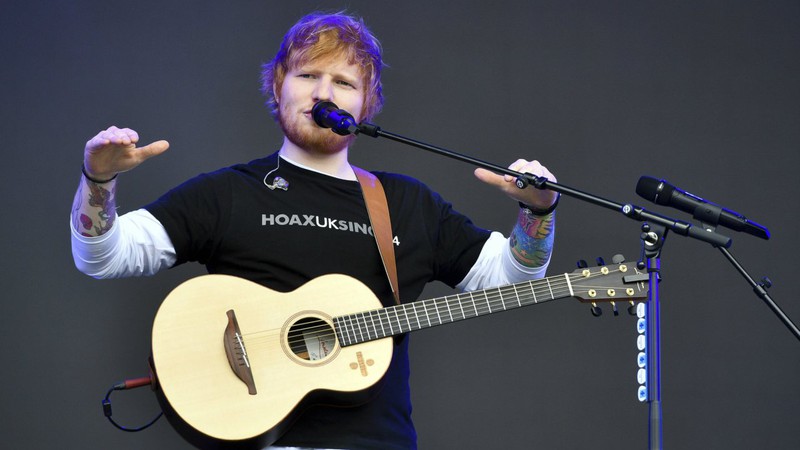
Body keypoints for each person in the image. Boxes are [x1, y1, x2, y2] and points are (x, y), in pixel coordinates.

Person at [71, 11, 558, 450]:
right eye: (307, 75)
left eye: (344, 82)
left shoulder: (407, 203)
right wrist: (100, 179)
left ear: (365, 105)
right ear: (280, 84)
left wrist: (538, 211)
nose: (323, 93)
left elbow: (512, 278)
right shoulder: (228, 193)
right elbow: (103, 256)